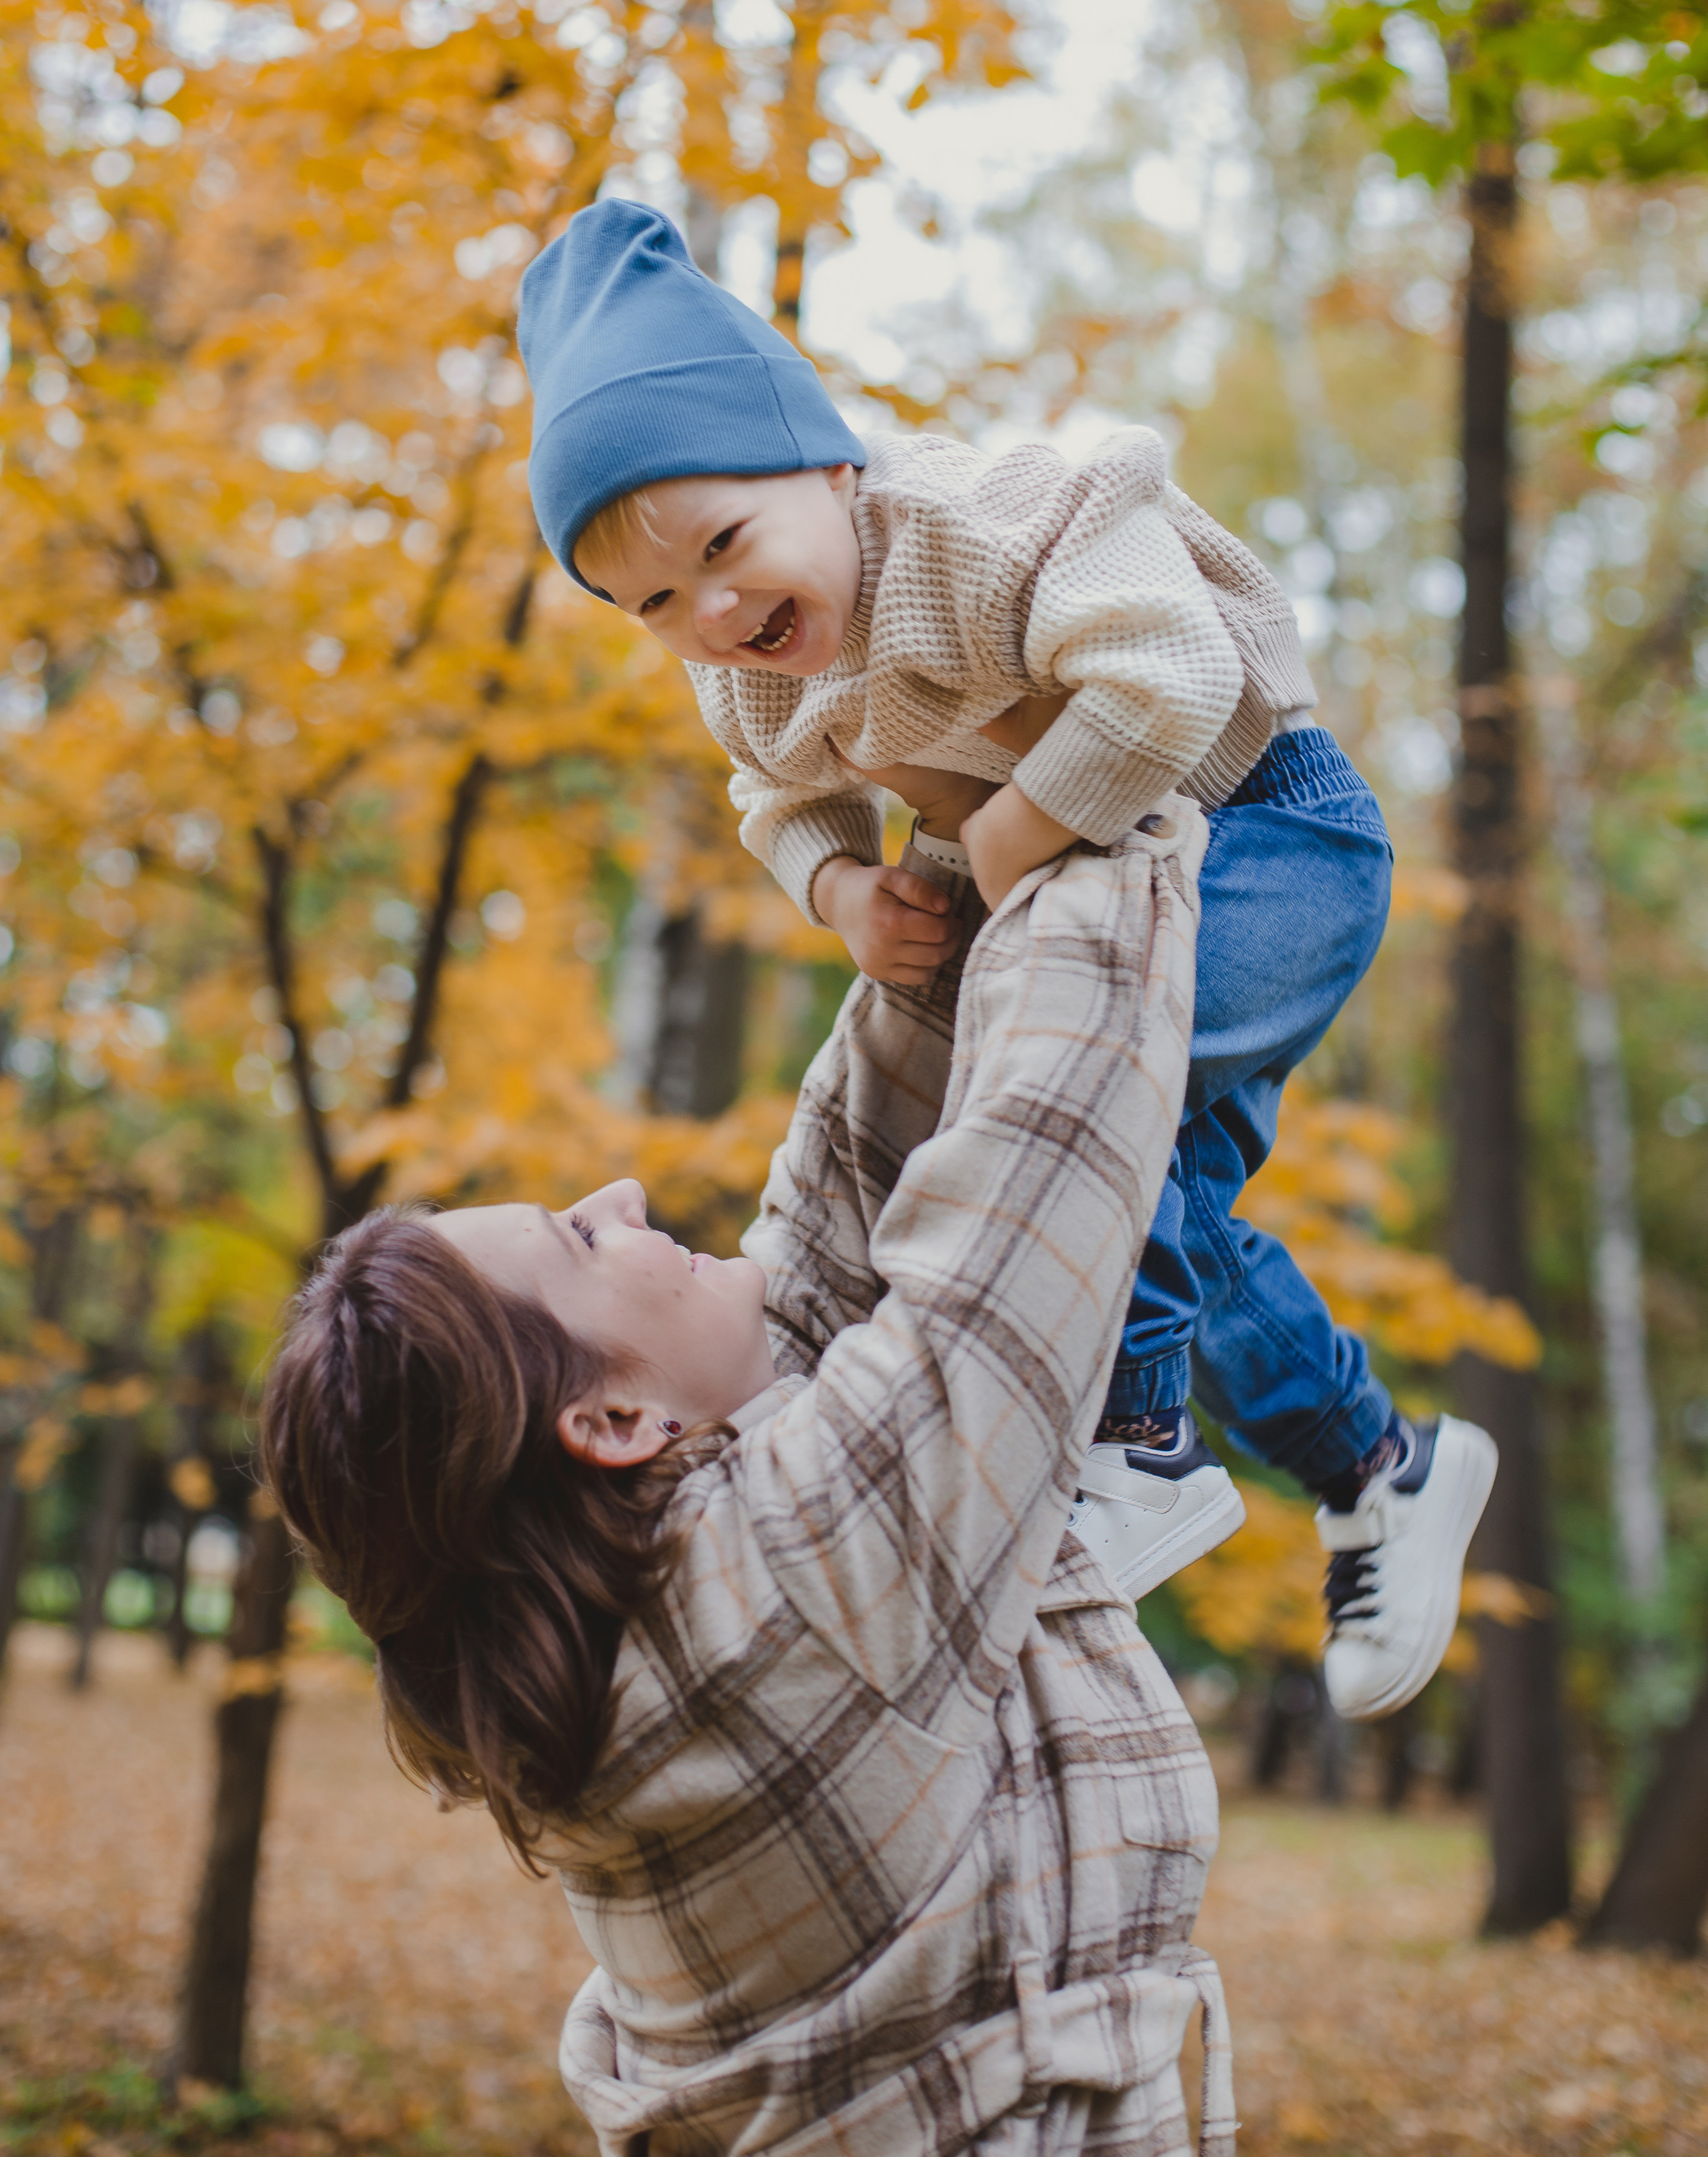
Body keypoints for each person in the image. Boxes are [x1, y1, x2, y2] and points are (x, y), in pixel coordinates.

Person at [515, 197, 1496, 1721]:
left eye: (722, 544)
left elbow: (1166, 677)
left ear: (824, 458)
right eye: (651, 603)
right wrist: (839, 887)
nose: (710, 612)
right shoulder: (755, 679)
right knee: (1158, 1205)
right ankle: (1376, 1463)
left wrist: (1000, 841)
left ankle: (1143, 1441)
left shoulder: (982, 529)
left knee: (1094, 1130)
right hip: (1102, 893)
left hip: (1268, 838)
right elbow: (773, 801)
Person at [262, 802, 1237, 2155]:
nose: (620, 1193)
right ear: (606, 1420)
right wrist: (1094, 787)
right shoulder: (778, 1586)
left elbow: (836, 1227)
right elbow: (1045, 1166)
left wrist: (951, 824)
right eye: (577, 1238)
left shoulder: (655, 1579)